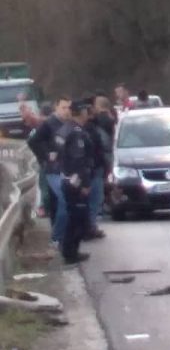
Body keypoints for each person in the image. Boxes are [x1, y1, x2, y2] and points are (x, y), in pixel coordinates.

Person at [28, 97, 72, 244]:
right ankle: (57, 236)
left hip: (67, 169)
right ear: (56, 107)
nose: (66, 111)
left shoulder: (69, 123)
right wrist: (45, 156)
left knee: (60, 203)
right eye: (63, 107)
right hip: (53, 170)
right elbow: (33, 141)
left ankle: (62, 235)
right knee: (64, 200)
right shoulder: (49, 124)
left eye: (68, 108)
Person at [58, 100, 95, 265]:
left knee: (74, 217)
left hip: (66, 178)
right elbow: (79, 160)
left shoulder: (65, 129)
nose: (88, 113)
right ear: (81, 112)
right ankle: (70, 253)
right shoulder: (76, 132)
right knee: (78, 218)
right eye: (86, 110)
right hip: (75, 182)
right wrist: (85, 184)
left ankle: (71, 251)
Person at [85, 96, 115, 239]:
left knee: (97, 197)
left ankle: (91, 225)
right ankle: (89, 226)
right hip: (93, 166)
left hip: (97, 165)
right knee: (94, 197)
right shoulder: (89, 127)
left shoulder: (97, 123)